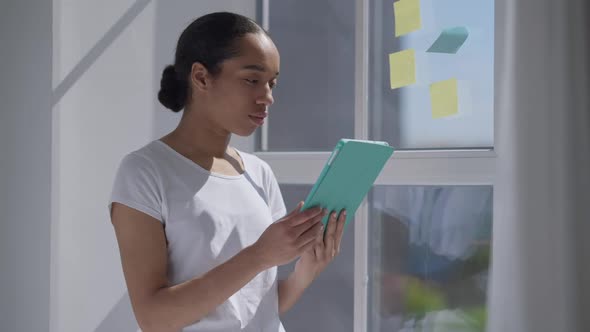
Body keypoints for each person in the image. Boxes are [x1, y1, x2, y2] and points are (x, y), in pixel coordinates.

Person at [108, 12, 346, 332]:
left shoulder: (259, 173)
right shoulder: (144, 172)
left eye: (272, 83)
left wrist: (307, 270)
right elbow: (153, 318)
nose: (267, 97)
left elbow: (260, 306)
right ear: (202, 77)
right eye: (252, 80)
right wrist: (260, 255)